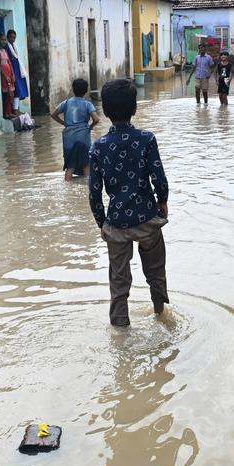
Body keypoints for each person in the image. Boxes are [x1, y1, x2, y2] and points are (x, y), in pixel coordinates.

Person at [88, 78, 170, 327]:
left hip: (117, 224)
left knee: (119, 282)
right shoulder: (146, 139)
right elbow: (159, 177)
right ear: (134, 108)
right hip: (146, 219)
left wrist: (102, 223)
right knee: (156, 273)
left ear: (105, 111)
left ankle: (120, 332)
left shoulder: (99, 147)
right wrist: (162, 201)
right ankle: (160, 315)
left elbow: (94, 192)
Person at [52, 77, 101, 180]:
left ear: (73, 89)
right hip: (83, 137)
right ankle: (86, 188)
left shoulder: (66, 103)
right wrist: (90, 127)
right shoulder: (88, 104)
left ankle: (68, 189)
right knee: (86, 164)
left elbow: (53, 114)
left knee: (70, 166)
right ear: (86, 91)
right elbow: (96, 119)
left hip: (68, 138)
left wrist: (64, 123)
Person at [5, 30, 35, 128]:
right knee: (15, 89)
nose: (12, 39)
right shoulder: (6, 47)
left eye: (14, 37)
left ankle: (16, 108)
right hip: (12, 69)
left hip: (18, 69)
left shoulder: (15, 46)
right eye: (11, 37)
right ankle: (14, 109)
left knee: (19, 89)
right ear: (7, 37)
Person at [0, 34, 24, 131]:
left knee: (11, 95)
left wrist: (12, 74)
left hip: (9, 73)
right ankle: (6, 113)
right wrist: (5, 76)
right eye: (2, 40)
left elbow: (9, 62)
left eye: (5, 40)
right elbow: (0, 66)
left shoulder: (5, 51)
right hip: (4, 75)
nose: (4, 41)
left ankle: (10, 112)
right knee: (6, 94)